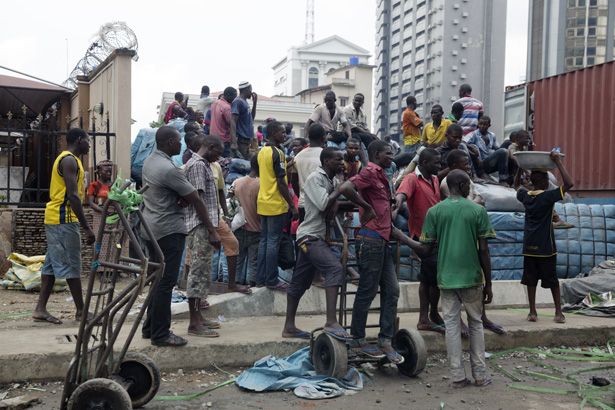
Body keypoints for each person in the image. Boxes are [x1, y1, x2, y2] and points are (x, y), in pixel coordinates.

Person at [392, 169, 497, 388]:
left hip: (446, 278)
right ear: (462, 185)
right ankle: (480, 376)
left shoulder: (435, 212)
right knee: (476, 324)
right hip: (472, 277)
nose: (470, 189)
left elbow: (425, 249)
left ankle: (458, 377)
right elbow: (484, 251)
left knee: (451, 327)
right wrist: (488, 283)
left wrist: (403, 238)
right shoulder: (477, 210)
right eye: (468, 185)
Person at [141, 126, 220, 347]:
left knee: (157, 282)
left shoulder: (150, 161)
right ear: (169, 143)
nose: (181, 144)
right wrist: (213, 230)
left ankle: (150, 328)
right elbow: (195, 198)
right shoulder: (169, 168)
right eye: (178, 141)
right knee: (166, 283)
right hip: (168, 230)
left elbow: (182, 194)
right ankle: (161, 334)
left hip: (152, 227)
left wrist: (181, 195)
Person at [339, 140, 403, 363]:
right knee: (367, 290)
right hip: (371, 240)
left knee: (392, 290)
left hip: (382, 241)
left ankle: (385, 339)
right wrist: (365, 207)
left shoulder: (382, 174)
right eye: (388, 153)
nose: (392, 157)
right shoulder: (370, 171)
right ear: (376, 154)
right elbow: (346, 188)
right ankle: (358, 338)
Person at [282, 147, 351, 341]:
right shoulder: (315, 179)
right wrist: (338, 191)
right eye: (338, 159)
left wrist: (338, 199)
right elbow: (323, 204)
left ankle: (289, 328)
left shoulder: (332, 180)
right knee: (335, 269)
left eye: (342, 159)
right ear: (327, 161)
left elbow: (339, 202)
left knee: (299, 283)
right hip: (309, 237)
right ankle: (331, 321)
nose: (342, 163)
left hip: (317, 237)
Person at [33, 128, 96, 325]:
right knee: (72, 265)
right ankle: (81, 311)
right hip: (63, 219)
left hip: (56, 219)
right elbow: (73, 196)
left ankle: (40, 309)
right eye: (88, 140)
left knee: (51, 265)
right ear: (79, 140)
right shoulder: (69, 160)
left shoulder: (70, 160)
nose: (89, 144)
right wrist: (86, 227)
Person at [514, 151, 573, 323]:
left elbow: (516, 185)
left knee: (531, 280)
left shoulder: (526, 197)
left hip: (529, 246)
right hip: (546, 247)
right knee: (552, 280)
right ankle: (558, 313)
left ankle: (532, 312)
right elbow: (569, 183)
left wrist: (519, 167)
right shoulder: (548, 197)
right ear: (542, 182)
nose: (549, 182)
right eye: (547, 180)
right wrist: (558, 162)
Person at [392, 148, 444, 334]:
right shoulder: (412, 178)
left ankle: (432, 314)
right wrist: (395, 209)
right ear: (424, 163)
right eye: (436, 163)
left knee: (431, 279)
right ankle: (425, 318)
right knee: (430, 279)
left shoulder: (435, 179)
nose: (439, 165)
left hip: (436, 235)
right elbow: (401, 196)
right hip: (423, 236)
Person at [183, 134, 224, 338]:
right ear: (210, 146)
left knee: (203, 272)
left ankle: (198, 318)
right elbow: (198, 199)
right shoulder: (198, 165)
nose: (219, 157)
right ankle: (194, 323)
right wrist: (211, 230)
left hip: (203, 226)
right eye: (218, 152)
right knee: (198, 274)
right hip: (200, 226)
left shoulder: (203, 164)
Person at [256, 121, 299, 290]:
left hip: (263, 201)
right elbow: (281, 182)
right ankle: (272, 279)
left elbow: (271, 174)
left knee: (264, 241)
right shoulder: (278, 153)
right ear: (274, 133)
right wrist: (292, 206)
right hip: (275, 203)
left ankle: (261, 278)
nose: (285, 135)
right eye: (282, 133)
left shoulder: (262, 152)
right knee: (273, 242)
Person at [210, 148, 251, 294]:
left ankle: (217, 278)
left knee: (218, 252)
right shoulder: (244, 181)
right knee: (232, 250)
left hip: (219, 218)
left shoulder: (228, 181)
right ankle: (230, 281)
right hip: (234, 223)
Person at [229, 155, 261, 288]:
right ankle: (253, 287)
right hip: (257, 230)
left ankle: (234, 287)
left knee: (237, 261)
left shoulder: (237, 182)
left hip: (239, 228)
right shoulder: (264, 184)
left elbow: (228, 201)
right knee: (254, 263)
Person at [292, 124, 326, 223]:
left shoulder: (298, 156)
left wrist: (301, 196)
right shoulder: (325, 155)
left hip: (303, 203)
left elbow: (294, 182)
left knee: (304, 235)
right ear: (323, 138)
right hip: (320, 204)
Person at [87, 159, 116, 274]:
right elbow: (91, 203)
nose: (109, 174)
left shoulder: (114, 185)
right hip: (100, 216)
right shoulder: (94, 185)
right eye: (106, 171)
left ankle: (112, 270)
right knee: (101, 242)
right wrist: (103, 211)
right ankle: (101, 270)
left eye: (110, 172)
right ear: (99, 172)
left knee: (113, 241)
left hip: (114, 216)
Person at [464, 116, 511, 185]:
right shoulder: (474, 134)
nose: (482, 126)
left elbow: (497, 148)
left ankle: (505, 178)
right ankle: (482, 174)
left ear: (489, 125)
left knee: (505, 151)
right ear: (478, 124)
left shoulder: (492, 135)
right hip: (478, 164)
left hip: (488, 163)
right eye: (480, 124)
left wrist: (508, 155)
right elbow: (462, 142)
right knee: (474, 147)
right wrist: (476, 157)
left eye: (485, 124)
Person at [230, 81, 257, 159]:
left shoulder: (245, 102)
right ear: (247, 89)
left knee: (244, 165)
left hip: (246, 140)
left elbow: (251, 118)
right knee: (240, 165)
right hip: (240, 140)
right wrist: (234, 142)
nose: (251, 93)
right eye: (251, 90)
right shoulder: (238, 101)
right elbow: (233, 120)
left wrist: (255, 103)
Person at [211, 87, 237, 158]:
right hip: (224, 140)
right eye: (234, 97)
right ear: (228, 95)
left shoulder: (215, 103)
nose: (234, 99)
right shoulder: (227, 107)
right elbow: (231, 123)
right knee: (225, 163)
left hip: (213, 138)